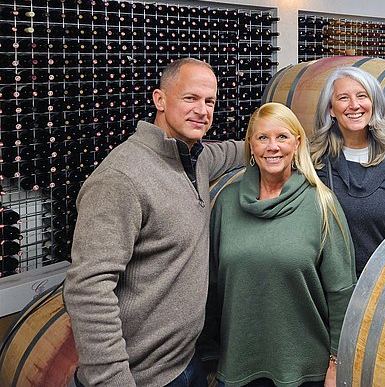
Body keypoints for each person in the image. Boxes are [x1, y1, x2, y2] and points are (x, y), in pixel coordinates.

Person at [64, 58, 245, 387]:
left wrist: (281, 142)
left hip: (187, 362)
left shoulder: (195, 158)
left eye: (209, 101)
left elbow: (236, 151)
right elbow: (87, 288)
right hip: (141, 377)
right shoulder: (121, 177)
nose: (202, 110)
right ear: (159, 99)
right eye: (190, 98)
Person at [199, 102, 356, 387]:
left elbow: (341, 292)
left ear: (297, 143)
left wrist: (337, 363)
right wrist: (208, 355)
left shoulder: (321, 203)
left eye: (282, 137)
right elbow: (210, 286)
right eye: (263, 138)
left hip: (306, 370)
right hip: (236, 366)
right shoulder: (226, 202)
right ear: (251, 145)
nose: (273, 147)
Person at [310, 66, 385, 277]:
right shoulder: (315, 162)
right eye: (343, 98)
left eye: (362, 96)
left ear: (374, 104)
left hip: (379, 284)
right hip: (326, 286)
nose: (354, 105)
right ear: (331, 109)